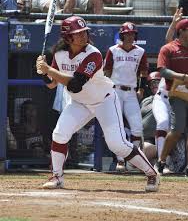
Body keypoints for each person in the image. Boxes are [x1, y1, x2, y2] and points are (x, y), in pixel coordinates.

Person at [36, 15, 159, 192]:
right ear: (68, 37)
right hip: (79, 103)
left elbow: (75, 84)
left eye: (84, 32)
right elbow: (51, 84)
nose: (83, 36)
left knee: (117, 144)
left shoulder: (93, 54)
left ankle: (152, 173)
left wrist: (49, 70)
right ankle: (57, 177)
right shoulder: (59, 54)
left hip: (104, 101)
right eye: (78, 33)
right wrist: (43, 72)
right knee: (59, 134)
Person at [156, 18, 188, 176]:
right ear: (181, 31)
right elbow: (162, 70)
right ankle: (161, 161)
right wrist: (183, 77)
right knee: (177, 129)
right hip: (177, 94)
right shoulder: (168, 49)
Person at [103, 22, 149, 171]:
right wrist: (105, 89)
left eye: (132, 34)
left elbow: (143, 72)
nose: (130, 37)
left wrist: (141, 89)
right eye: (127, 34)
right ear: (122, 35)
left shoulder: (140, 51)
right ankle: (120, 160)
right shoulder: (113, 50)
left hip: (130, 92)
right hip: (115, 90)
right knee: (117, 127)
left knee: (137, 128)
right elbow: (107, 72)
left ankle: (133, 160)